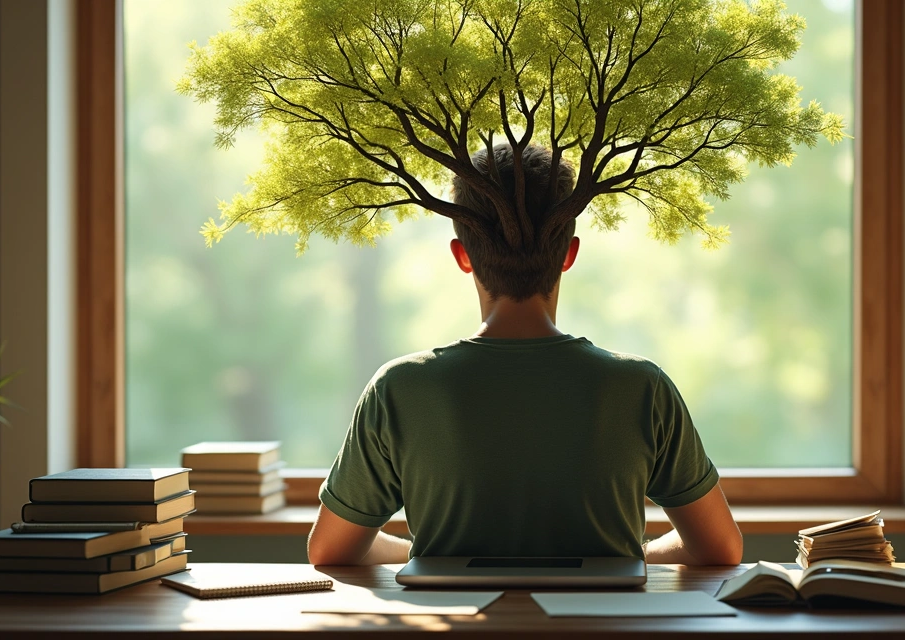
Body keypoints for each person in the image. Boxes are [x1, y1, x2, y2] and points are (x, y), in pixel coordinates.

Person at [307, 144, 743, 566]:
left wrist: (431, 555)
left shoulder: (398, 389)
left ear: (463, 256)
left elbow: (330, 551)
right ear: (569, 254)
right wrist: (625, 556)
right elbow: (720, 549)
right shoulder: (643, 387)